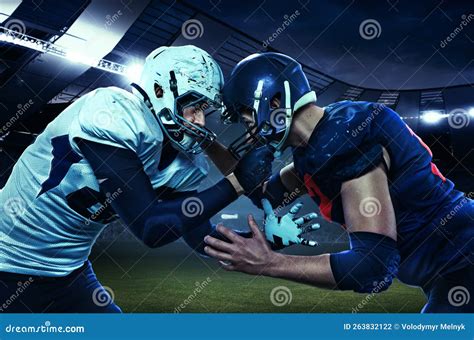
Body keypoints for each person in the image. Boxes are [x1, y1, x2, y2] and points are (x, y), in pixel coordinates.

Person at [0, 45, 272, 313]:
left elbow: (201, 239)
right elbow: (150, 227)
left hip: (69, 272)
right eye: (193, 106)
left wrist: (266, 240)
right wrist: (236, 183)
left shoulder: (183, 163)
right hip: (6, 265)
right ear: (159, 90)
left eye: (204, 110)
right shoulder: (112, 110)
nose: (200, 121)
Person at [203, 52, 474, 313]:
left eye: (246, 116)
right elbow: (262, 193)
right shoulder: (314, 147)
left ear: (273, 103)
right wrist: (204, 140)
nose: (249, 132)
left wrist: (269, 263)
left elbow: (373, 265)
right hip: (448, 271)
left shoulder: (341, 142)